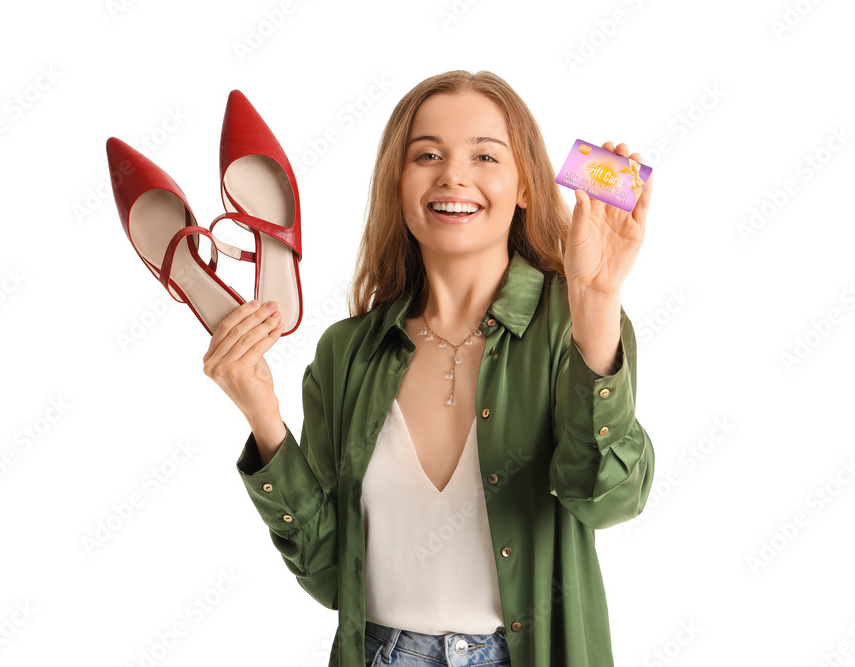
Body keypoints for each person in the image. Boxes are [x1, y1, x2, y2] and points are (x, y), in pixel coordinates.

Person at [203, 70, 655, 667]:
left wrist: (595, 299)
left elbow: (608, 500)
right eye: (427, 155)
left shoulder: (571, 326)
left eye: (485, 154)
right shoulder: (346, 353)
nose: (453, 175)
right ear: (398, 183)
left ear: (525, 186)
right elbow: (329, 574)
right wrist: (263, 415)